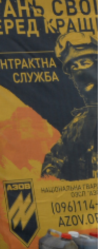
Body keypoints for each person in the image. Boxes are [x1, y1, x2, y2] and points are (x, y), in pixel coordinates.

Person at [42, 33, 98, 181]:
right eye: (74, 67)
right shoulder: (79, 124)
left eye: (85, 63)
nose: (79, 71)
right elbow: (53, 163)